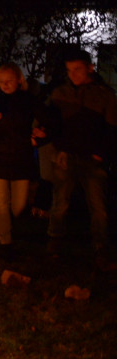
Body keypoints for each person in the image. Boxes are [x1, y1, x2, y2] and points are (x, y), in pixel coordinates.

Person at [46, 49, 117, 266]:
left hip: (93, 159)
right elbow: (50, 124)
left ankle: (100, 248)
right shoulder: (60, 94)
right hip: (66, 157)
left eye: (77, 69)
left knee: (98, 207)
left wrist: (101, 154)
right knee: (60, 203)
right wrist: (56, 148)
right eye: (69, 70)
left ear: (90, 67)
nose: (73, 74)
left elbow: (112, 128)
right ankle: (54, 244)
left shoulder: (104, 95)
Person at [0, 63, 48, 256]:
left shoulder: (29, 100)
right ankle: (5, 242)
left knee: (18, 205)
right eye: (1, 82)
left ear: (19, 80)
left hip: (21, 158)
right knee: (0, 201)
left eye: (9, 81)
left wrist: (40, 134)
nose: (5, 85)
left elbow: (47, 120)